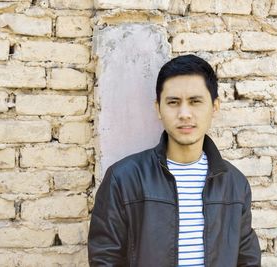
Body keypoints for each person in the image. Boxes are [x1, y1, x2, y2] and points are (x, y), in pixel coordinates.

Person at [88, 54, 261, 266]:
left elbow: (247, 259)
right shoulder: (123, 179)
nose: (184, 114)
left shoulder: (234, 184)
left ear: (215, 106)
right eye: (173, 102)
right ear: (158, 108)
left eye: (195, 102)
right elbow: (104, 258)